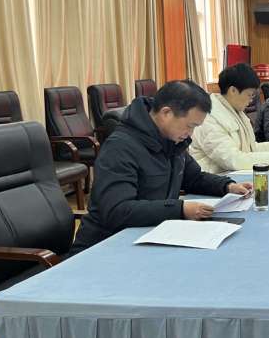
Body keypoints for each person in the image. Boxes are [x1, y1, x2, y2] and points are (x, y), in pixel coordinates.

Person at [70, 80, 252, 254]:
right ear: (166, 113)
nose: (190, 133)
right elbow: (117, 211)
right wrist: (180, 209)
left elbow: (194, 178)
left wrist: (227, 186)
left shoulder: (172, 141)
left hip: (148, 235)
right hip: (104, 246)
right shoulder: (120, 147)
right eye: (190, 126)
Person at [190, 63, 269, 172]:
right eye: (249, 95)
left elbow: (250, 148)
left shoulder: (235, 110)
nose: (251, 100)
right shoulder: (210, 117)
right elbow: (233, 159)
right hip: (216, 178)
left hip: (233, 174)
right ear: (233, 90)